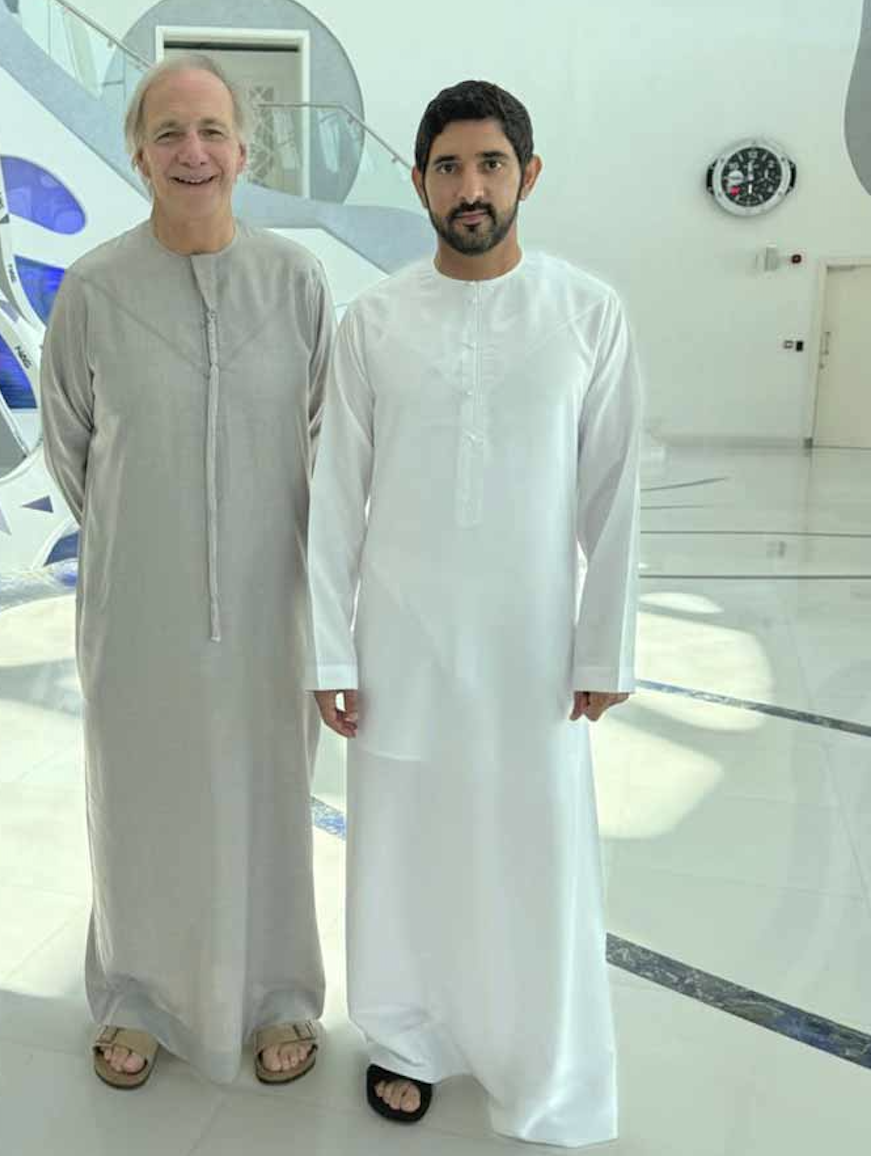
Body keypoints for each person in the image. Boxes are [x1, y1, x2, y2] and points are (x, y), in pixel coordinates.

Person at [307, 79, 641, 1146]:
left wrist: (605, 643)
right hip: (400, 642)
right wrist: (328, 649)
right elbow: (334, 492)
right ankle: (406, 1037)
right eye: (448, 167)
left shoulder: (587, 312)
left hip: (530, 646)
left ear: (526, 176)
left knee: (529, 845)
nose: (470, 187)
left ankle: (534, 1049)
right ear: (418, 182)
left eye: (490, 164)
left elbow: (614, 490)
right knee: (403, 844)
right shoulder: (373, 321)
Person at [40, 54, 332, 1090]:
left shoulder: (296, 282)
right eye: (167, 132)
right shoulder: (94, 289)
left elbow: (323, 440)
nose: (191, 152)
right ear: (137, 155)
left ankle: (279, 996)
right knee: (140, 801)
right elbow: (72, 448)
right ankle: (137, 997)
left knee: (270, 800)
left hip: (269, 605)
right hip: (138, 607)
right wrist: (150, 538)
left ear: (244, 151)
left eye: (211, 131)